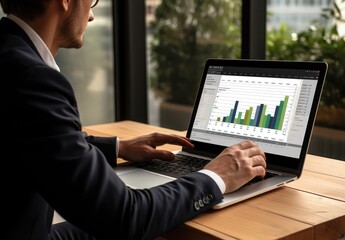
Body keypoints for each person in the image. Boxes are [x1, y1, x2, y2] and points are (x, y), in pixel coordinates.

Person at [0, 0, 267, 239]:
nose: (91, 16)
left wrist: (120, 148)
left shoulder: (7, 53)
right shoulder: (32, 78)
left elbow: (35, 140)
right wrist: (214, 177)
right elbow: (124, 217)